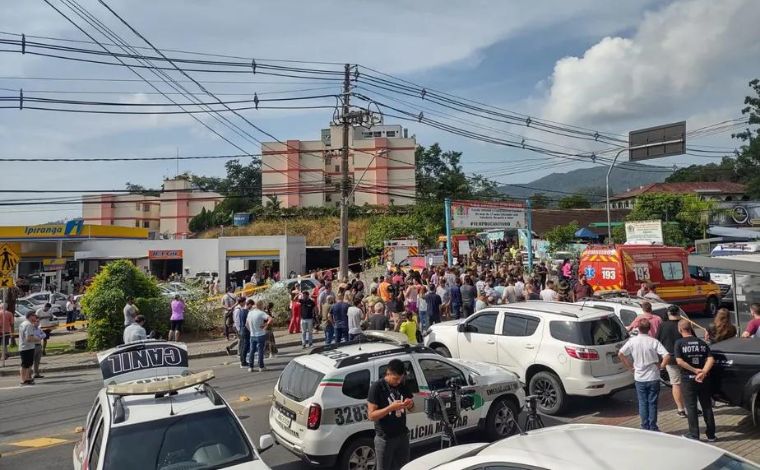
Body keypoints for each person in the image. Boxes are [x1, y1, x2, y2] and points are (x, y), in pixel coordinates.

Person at [618, 318, 670, 431]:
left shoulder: (632, 341)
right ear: (649, 329)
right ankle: (653, 425)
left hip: (639, 376)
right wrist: (661, 366)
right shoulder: (653, 341)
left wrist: (629, 367)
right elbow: (666, 355)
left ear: (638, 329)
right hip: (653, 376)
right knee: (652, 402)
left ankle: (644, 425)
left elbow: (621, 353)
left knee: (642, 402)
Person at [367, 359, 414, 470]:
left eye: (400, 379)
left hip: (402, 436)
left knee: (404, 467)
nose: (398, 382)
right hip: (385, 439)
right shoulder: (377, 387)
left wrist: (410, 405)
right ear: (388, 373)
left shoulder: (402, 385)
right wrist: (390, 408)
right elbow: (371, 416)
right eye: (396, 379)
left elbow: (412, 408)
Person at [674, 319, 716, 442]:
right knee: (707, 406)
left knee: (691, 407)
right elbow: (710, 359)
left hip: (688, 379)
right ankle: (711, 434)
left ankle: (694, 434)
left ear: (680, 329)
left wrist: (694, 370)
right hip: (703, 379)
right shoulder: (701, 342)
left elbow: (679, 361)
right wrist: (703, 371)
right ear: (691, 328)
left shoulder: (679, 343)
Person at [656, 305, 687, 417]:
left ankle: (681, 409)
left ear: (668, 313)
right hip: (685, 358)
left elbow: (657, 342)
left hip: (670, 359)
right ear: (679, 312)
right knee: (688, 384)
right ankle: (692, 407)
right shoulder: (684, 324)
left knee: (676, 384)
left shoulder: (662, 326)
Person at [246, 299, 273, 372]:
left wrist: (251, 330)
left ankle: (250, 366)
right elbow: (270, 319)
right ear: (261, 305)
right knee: (260, 351)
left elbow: (247, 324)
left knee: (252, 351)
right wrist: (266, 325)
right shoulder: (261, 313)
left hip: (252, 334)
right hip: (260, 334)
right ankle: (261, 366)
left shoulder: (250, 313)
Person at [18, 311, 40, 385]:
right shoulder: (29, 325)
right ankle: (24, 379)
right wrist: (37, 338)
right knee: (25, 364)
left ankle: (27, 378)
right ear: (30, 316)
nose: (35, 317)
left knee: (27, 364)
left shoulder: (23, 323)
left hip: (24, 346)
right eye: (34, 316)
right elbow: (29, 338)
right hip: (27, 347)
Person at [236, 298, 250, 368]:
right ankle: (243, 362)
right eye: (244, 302)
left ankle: (243, 361)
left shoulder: (242, 310)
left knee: (243, 346)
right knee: (244, 346)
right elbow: (237, 321)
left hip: (242, 329)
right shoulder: (240, 310)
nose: (245, 303)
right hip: (243, 330)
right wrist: (239, 330)